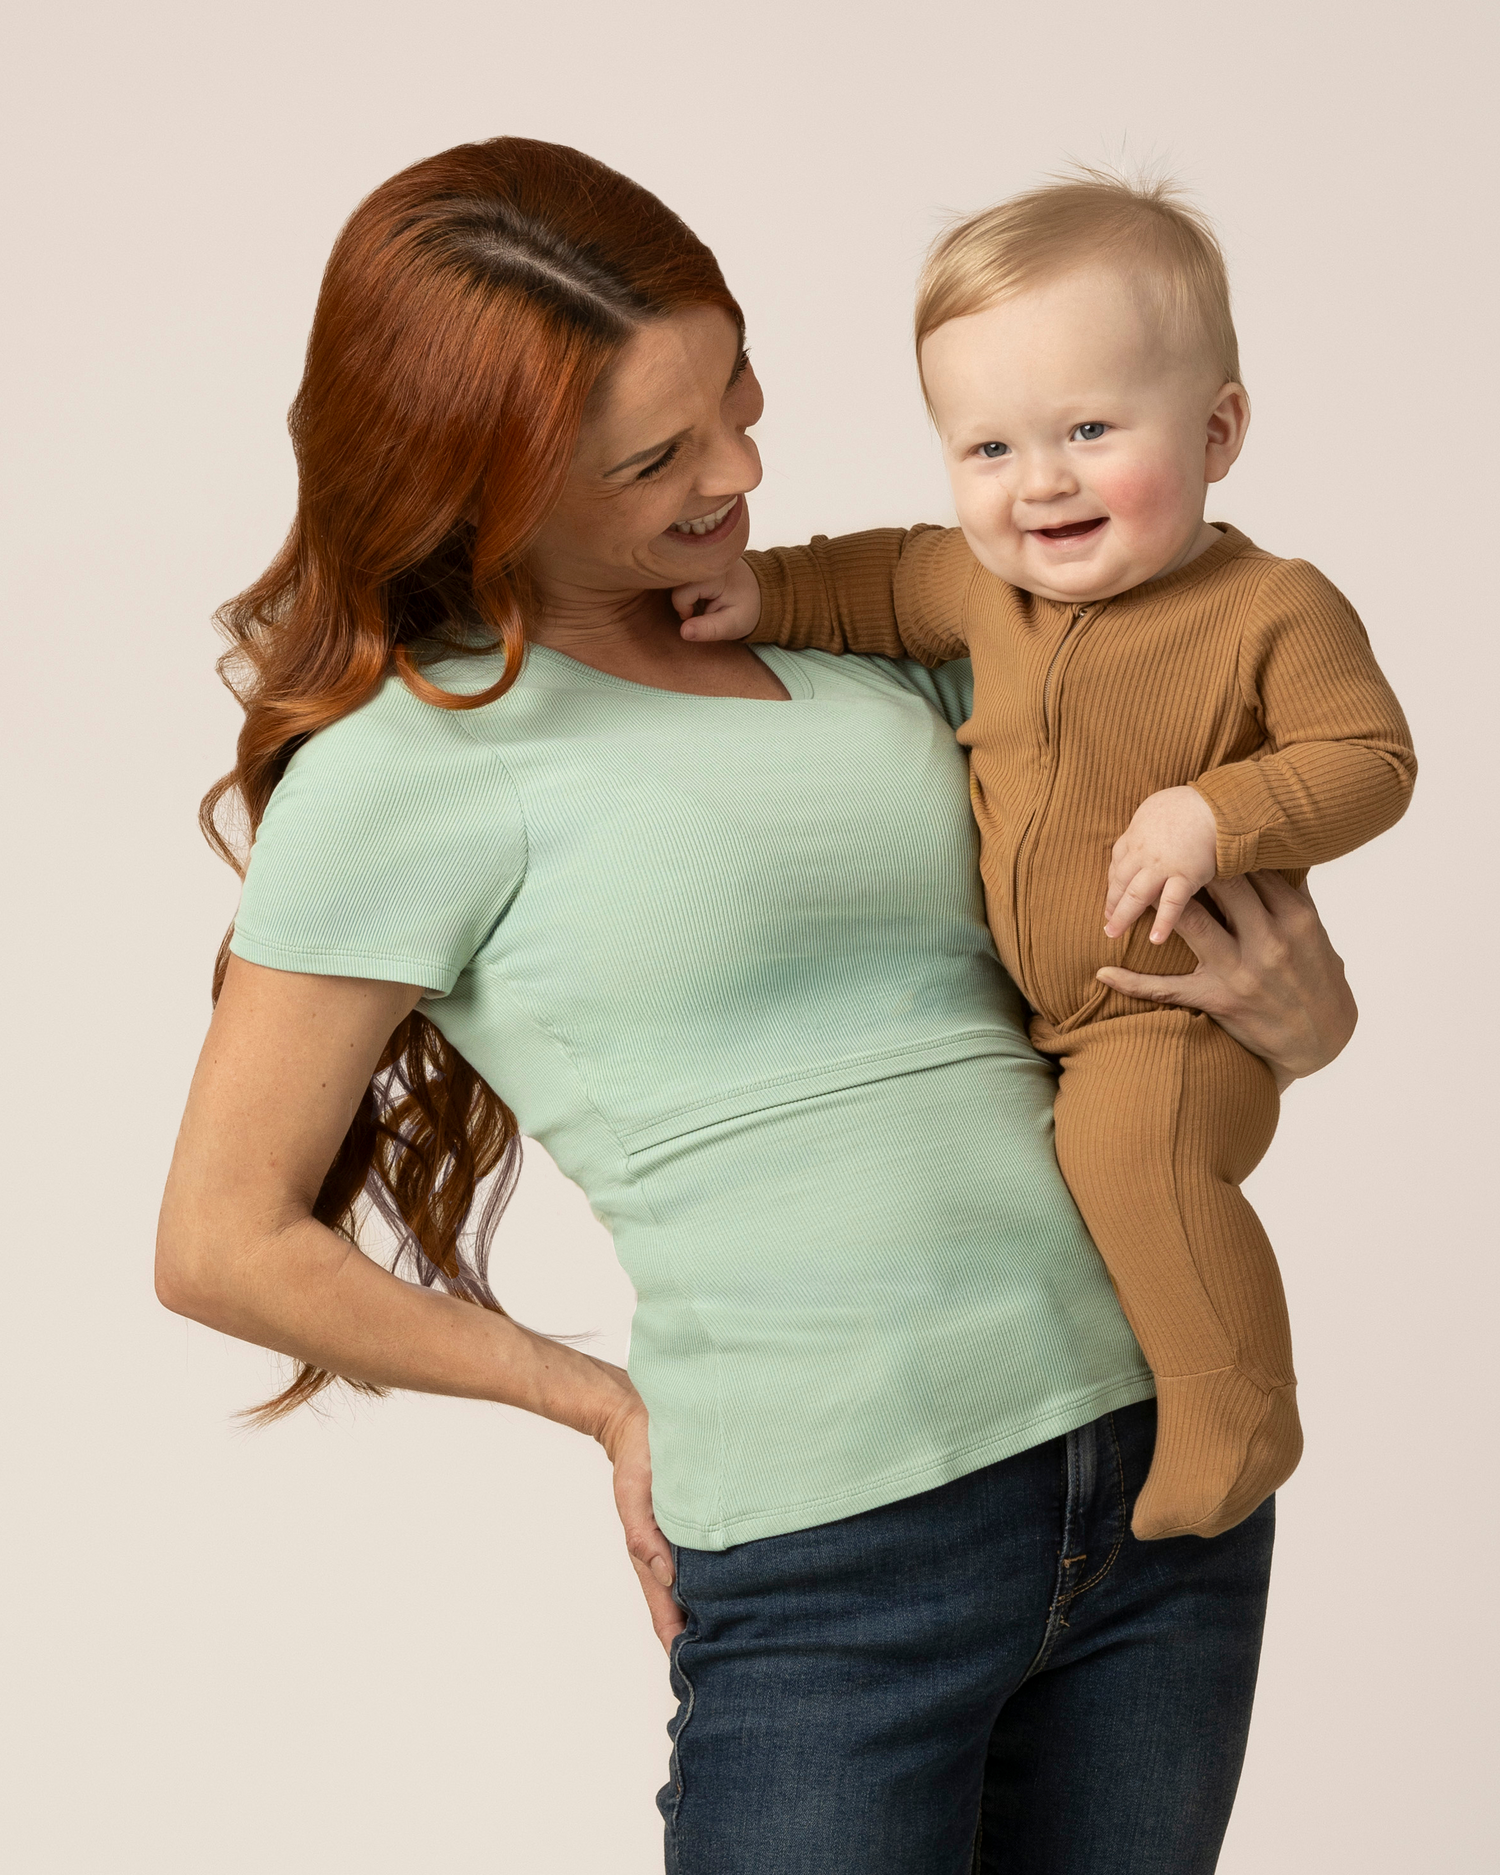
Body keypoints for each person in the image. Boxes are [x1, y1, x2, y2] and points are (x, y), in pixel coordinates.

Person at [156, 138, 1361, 1874]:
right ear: (482, 486)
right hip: (839, 1545)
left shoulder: (869, 629)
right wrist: (602, 1401)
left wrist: (1303, 1023)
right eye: (657, 457)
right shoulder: (408, 769)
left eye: (735, 386)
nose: (742, 465)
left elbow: (1117, 963)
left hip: (1161, 1463)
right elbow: (219, 1236)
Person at [676, 170, 1415, 1543]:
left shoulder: (1270, 606)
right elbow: (879, 579)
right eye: (990, 449)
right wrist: (764, 590)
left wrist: (1218, 809)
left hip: (1169, 1012)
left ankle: (1236, 1404)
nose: (1043, 483)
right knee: (1072, 1167)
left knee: (1134, 1159)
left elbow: (1371, 762)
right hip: (1039, 1017)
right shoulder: (983, 585)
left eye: (1088, 428)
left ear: (1218, 429)